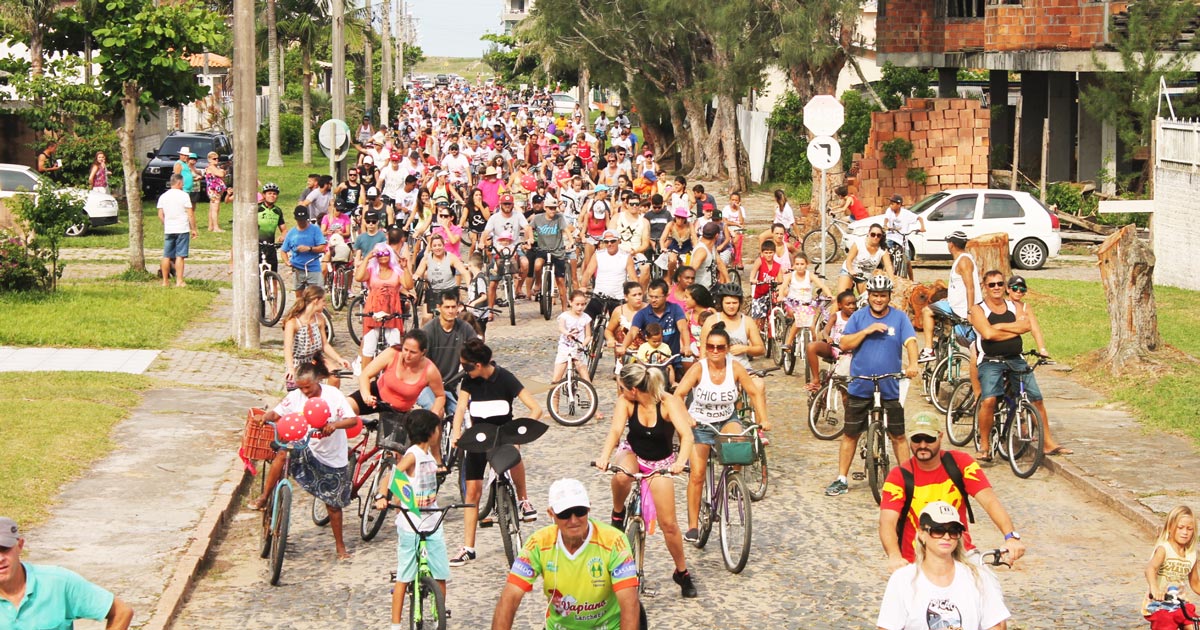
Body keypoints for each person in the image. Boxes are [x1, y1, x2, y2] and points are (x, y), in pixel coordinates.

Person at [594, 363, 697, 598]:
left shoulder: (667, 403)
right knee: (621, 475)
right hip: (633, 453)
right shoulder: (626, 403)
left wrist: (680, 462)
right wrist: (604, 456)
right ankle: (618, 514)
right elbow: (615, 431)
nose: (620, 392)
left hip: (660, 463)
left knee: (669, 525)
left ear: (632, 389)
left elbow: (687, 435)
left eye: (621, 388)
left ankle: (682, 572)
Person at [878, 412, 1027, 571]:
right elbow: (887, 521)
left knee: (987, 586)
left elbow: (989, 501)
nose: (922, 445)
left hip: (961, 554)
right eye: (916, 439)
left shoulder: (961, 463)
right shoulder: (898, 476)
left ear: (940, 437)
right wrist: (894, 556)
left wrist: (1011, 536)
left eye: (929, 439)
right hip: (916, 561)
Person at [491, 479, 641, 630]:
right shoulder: (538, 543)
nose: (574, 520)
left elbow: (629, 604)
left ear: (589, 508)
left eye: (580, 511)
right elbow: (510, 598)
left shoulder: (614, 541)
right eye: (565, 514)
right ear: (551, 513)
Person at [250, 363, 360, 559]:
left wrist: (334, 425)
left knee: (333, 505)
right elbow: (277, 413)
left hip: (332, 457)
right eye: (301, 388)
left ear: (317, 380)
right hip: (305, 447)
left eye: (307, 387)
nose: (304, 392)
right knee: (283, 453)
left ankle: (340, 547)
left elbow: (352, 420)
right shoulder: (296, 396)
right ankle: (265, 497)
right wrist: (266, 416)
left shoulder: (333, 395)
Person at [450, 340, 544, 566]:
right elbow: (461, 408)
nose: (464, 370)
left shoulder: (505, 378)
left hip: (503, 436)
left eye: (467, 366)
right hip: (477, 438)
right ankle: (469, 547)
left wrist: (521, 431)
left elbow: (536, 408)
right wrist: (456, 433)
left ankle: (523, 500)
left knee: (514, 453)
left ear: (480, 364)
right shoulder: (468, 381)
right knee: (472, 492)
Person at [825, 274, 918, 497]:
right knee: (850, 434)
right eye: (875, 295)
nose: (878, 299)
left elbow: (911, 342)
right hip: (861, 384)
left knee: (898, 434)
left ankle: (907, 479)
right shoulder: (858, 317)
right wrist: (866, 331)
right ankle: (841, 478)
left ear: (889, 296)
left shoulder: (899, 318)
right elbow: (845, 343)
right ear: (869, 296)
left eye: (882, 295)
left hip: (889, 383)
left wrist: (913, 363)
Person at [675, 323, 769, 544]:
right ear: (705, 348)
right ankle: (693, 526)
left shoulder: (735, 367)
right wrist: (687, 418)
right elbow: (679, 394)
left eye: (720, 347)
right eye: (711, 347)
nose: (715, 351)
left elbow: (754, 392)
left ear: (727, 348)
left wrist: (763, 418)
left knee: (739, 444)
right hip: (700, 423)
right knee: (697, 475)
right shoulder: (699, 368)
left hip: (726, 418)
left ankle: (732, 482)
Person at [876, 501, 1010, 630]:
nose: (946, 537)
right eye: (938, 530)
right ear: (922, 534)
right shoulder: (903, 580)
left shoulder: (977, 577)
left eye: (953, 531)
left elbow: (995, 624)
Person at [372, 410, 451, 627]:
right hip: (411, 523)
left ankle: (439, 615)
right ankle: (395, 625)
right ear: (430, 432)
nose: (440, 432)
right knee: (405, 575)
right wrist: (382, 496)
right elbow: (391, 476)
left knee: (440, 573)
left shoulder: (428, 455)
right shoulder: (413, 454)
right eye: (438, 429)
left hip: (432, 520)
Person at [969, 269, 1053, 465]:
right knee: (989, 400)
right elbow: (987, 335)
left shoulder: (1015, 306)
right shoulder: (978, 309)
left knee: (1037, 398)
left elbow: (1026, 327)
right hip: (990, 360)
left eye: (999, 283)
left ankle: (1048, 442)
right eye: (992, 285)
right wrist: (1012, 329)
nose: (996, 288)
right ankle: (985, 445)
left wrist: (997, 328)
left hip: (1016, 358)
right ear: (985, 287)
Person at [0, 516, 134, 628]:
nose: (0, 559)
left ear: (20, 545)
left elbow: (121, 612)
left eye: (4, 549)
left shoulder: (58, 582)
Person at [353, 329, 446, 427]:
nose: (407, 355)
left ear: (423, 352)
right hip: (378, 395)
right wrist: (366, 395)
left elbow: (440, 395)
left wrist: (433, 415)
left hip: (399, 409)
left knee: (437, 418)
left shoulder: (430, 370)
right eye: (405, 349)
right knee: (344, 410)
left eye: (413, 352)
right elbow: (365, 375)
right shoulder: (392, 353)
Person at [919, 231, 978, 363]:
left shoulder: (963, 261)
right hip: (955, 304)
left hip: (961, 309)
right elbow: (960, 286)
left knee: (926, 311)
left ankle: (928, 350)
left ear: (951, 244)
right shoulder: (963, 259)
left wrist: (970, 310)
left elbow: (970, 287)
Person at [419, 290, 477, 423]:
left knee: (461, 418)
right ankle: (435, 443)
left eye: (453, 307)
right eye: (447, 307)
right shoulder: (428, 331)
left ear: (458, 307)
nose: (451, 311)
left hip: (451, 385)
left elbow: (477, 350)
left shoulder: (465, 328)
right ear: (439, 308)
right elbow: (420, 363)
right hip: (427, 385)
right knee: (435, 414)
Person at [619, 279, 691, 380]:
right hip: (649, 363)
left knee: (678, 389)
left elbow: (683, 329)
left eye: (657, 297)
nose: (653, 300)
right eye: (651, 297)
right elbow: (632, 332)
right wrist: (623, 346)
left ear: (666, 296)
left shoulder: (675, 309)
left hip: (672, 360)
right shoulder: (642, 314)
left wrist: (686, 346)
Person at [1143, 506, 1200, 629]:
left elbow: (1195, 583)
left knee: (1195, 625)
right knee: (1165, 623)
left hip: (1180, 603)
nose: (1185, 532)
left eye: (1189, 529)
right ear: (1170, 527)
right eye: (1180, 528)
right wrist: (1154, 588)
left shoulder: (1191, 554)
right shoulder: (1164, 549)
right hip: (1160, 605)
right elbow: (1150, 568)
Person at [283, 285, 350, 389]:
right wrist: (291, 368)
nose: (325, 304)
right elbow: (287, 348)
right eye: (323, 301)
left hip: (315, 358)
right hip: (299, 361)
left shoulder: (319, 319)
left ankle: (329, 402)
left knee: (334, 376)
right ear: (315, 301)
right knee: (305, 389)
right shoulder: (293, 322)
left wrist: (339, 359)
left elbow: (325, 345)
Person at [353, 242, 408, 368]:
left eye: (386, 253)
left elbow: (408, 285)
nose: (383, 256)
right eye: (380, 254)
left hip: (392, 310)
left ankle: (393, 374)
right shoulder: (372, 270)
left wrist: (405, 268)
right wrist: (367, 258)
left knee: (394, 345)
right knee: (369, 346)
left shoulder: (396, 271)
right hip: (373, 309)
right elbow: (359, 277)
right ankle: (366, 378)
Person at [777, 254, 831, 371]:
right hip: (793, 304)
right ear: (794, 265)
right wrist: (781, 295)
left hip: (806, 305)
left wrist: (830, 294)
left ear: (807, 265)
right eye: (797, 264)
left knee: (812, 328)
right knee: (799, 320)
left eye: (802, 264)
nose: (800, 267)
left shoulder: (810, 276)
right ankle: (789, 342)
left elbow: (822, 285)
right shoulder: (790, 276)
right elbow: (783, 287)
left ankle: (813, 346)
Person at [528, 194, 573, 311]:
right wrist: (531, 238)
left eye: (554, 208)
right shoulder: (538, 218)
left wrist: (571, 241)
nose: (552, 210)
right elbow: (529, 228)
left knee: (560, 281)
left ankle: (564, 308)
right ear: (545, 208)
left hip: (557, 251)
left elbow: (566, 230)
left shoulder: (559, 218)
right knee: (537, 265)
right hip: (543, 250)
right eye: (550, 208)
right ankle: (538, 283)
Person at [805, 290, 857, 391]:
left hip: (850, 352)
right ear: (840, 305)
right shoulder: (836, 316)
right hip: (834, 348)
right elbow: (825, 331)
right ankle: (816, 379)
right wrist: (827, 337)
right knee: (811, 346)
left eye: (853, 303)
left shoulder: (858, 317)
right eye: (848, 304)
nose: (852, 306)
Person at [413, 234, 468, 326]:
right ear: (431, 247)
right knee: (426, 318)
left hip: (449, 292)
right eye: (434, 246)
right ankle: (425, 338)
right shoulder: (426, 258)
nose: (437, 248)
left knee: (455, 317)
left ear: (443, 246)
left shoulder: (451, 257)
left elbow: (464, 272)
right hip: (432, 292)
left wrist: (469, 285)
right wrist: (416, 276)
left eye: (439, 245)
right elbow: (418, 273)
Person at [582, 229, 635, 319]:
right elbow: (588, 273)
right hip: (598, 296)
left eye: (612, 241)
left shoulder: (626, 257)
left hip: (618, 299)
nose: (609, 244)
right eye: (606, 242)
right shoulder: (598, 254)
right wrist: (583, 286)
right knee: (585, 321)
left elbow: (633, 278)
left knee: (620, 327)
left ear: (619, 241)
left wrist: (633, 294)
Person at [550, 290, 595, 397]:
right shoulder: (564, 316)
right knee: (556, 379)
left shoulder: (586, 318)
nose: (580, 307)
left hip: (578, 349)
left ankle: (594, 407)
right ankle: (554, 408)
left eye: (583, 304)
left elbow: (588, 335)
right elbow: (561, 328)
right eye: (577, 304)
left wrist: (583, 345)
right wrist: (567, 333)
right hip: (565, 349)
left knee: (586, 379)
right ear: (570, 303)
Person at [157, 174, 197, 288]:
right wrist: (193, 229)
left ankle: (165, 281)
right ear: (179, 183)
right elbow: (190, 214)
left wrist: (166, 223)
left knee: (166, 255)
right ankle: (179, 280)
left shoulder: (163, 196)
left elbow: (160, 214)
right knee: (180, 255)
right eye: (182, 183)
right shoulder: (184, 196)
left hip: (169, 229)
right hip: (182, 229)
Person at [280, 206, 327, 297]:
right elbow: (283, 251)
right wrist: (287, 261)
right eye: (299, 220)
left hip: (313, 268)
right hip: (298, 269)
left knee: (317, 297)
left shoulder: (315, 229)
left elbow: (322, 247)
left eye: (303, 219)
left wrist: (309, 248)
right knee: (299, 299)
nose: (301, 222)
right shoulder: (291, 233)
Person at [837, 223, 895, 295]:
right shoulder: (859, 243)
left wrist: (892, 282)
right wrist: (851, 270)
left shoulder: (882, 249)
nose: (875, 237)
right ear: (868, 234)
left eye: (878, 235)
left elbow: (888, 266)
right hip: (849, 271)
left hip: (864, 277)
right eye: (873, 234)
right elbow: (849, 259)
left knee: (867, 299)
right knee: (842, 297)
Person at [257, 183, 286, 272]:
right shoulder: (257, 209)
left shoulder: (277, 211)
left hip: (270, 246)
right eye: (269, 193)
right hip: (257, 245)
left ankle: (274, 286)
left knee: (273, 272)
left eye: (274, 194)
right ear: (264, 195)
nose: (272, 196)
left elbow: (283, 229)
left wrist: (283, 235)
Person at [691, 222, 729, 290]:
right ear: (717, 236)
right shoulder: (702, 251)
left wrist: (728, 280)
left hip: (712, 286)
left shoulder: (712, 247)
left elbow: (720, 263)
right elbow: (691, 271)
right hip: (702, 290)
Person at [202, 151, 227, 232]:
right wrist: (222, 171)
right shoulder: (211, 167)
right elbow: (221, 174)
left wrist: (222, 171)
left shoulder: (215, 167)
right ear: (209, 160)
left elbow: (222, 173)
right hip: (213, 191)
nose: (216, 160)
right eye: (214, 159)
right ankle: (216, 227)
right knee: (215, 208)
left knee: (212, 208)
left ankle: (210, 226)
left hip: (216, 190)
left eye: (217, 158)